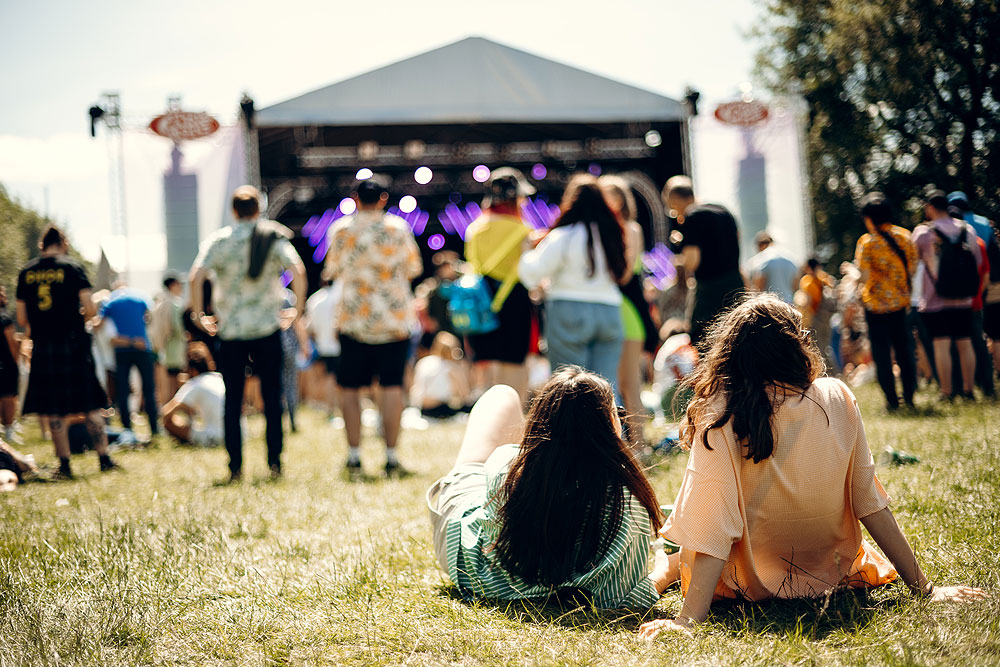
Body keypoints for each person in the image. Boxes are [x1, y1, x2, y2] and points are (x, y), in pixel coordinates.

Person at [637, 295, 987, 638]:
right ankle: (666, 568)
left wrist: (688, 619)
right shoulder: (838, 395)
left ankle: (663, 570)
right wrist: (923, 587)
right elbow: (870, 503)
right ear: (795, 347)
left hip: (749, 583)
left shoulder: (721, 413)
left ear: (731, 356)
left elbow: (713, 523)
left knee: (684, 541)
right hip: (831, 573)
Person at [426, 367, 671, 608]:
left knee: (501, 395)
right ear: (610, 425)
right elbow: (624, 599)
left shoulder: (505, 466)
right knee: (502, 397)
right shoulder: (623, 501)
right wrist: (668, 570)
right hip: (474, 559)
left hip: (464, 561)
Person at [189, 185, 306, 482]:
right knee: (272, 395)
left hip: (231, 329)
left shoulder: (220, 240)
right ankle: (274, 463)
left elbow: (196, 275)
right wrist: (298, 309)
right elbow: (299, 270)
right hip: (267, 326)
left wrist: (200, 313)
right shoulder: (272, 235)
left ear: (233, 211)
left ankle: (235, 466)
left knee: (233, 399)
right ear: (259, 208)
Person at [323, 176, 423, 476]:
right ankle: (391, 458)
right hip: (394, 321)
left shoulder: (341, 230)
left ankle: (354, 457)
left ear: (355, 198)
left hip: (354, 320)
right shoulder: (398, 228)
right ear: (383, 199)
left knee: (350, 389)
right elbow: (413, 268)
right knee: (392, 387)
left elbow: (332, 269)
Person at [15, 225, 119, 479]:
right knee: (91, 403)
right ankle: (104, 459)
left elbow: (20, 316)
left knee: (54, 408)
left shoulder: (27, 272)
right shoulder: (72, 268)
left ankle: (65, 465)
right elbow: (90, 309)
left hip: (43, 346)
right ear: (64, 243)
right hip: (72, 344)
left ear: (42, 245)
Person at [519, 174, 628, 391]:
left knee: (569, 388)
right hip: (610, 311)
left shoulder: (563, 235)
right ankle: (614, 425)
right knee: (607, 387)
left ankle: (572, 427)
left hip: (568, 310)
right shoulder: (612, 234)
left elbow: (531, 274)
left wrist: (526, 251)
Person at [463, 168, 536, 401]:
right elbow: (530, 270)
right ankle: (514, 419)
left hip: (482, 301)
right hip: (516, 300)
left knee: (490, 364)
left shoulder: (474, 229)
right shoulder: (524, 230)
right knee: (515, 363)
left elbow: (472, 265)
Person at [600, 175, 657, 450]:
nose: (609, 200)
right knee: (612, 384)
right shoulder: (599, 229)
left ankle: (640, 444)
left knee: (629, 382)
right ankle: (626, 443)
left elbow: (624, 274)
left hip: (627, 310)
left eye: (614, 194)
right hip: (609, 309)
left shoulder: (630, 229)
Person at [911, 190, 984, 400]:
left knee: (941, 345)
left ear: (931, 207)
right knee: (965, 342)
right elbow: (977, 261)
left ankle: (947, 391)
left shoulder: (924, 233)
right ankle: (969, 390)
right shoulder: (966, 229)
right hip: (963, 297)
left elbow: (913, 260)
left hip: (936, 299)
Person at [661, 176, 745, 348]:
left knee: (702, 340)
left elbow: (692, 262)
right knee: (738, 338)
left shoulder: (692, 216)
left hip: (709, 290)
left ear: (675, 200)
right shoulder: (723, 211)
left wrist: (682, 249)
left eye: (672, 209)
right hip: (735, 285)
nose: (674, 215)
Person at [853, 192, 919, 410]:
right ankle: (909, 395)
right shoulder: (905, 236)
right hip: (900, 304)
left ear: (869, 218)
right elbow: (913, 269)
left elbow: (862, 276)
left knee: (882, 355)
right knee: (905, 351)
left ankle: (891, 400)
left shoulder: (867, 242)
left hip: (875, 307)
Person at [95, 282, 159, 442]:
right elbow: (150, 316)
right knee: (149, 388)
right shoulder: (140, 297)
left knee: (122, 389)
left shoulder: (110, 301)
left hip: (122, 350)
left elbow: (99, 324)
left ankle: (126, 427)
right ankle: (155, 427)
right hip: (143, 346)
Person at [161, 342, 226, 447]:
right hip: (239, 435)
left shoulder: (195, 383)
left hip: (218, 437)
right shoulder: (219, 378)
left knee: (169, 423)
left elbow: (166, 413)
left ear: (192, 369)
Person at [304, 278, 342, 421]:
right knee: (337, 379)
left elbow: (310, 327)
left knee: (328, 377)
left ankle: (330, 409)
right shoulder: (339, 296)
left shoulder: (315, 299)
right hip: (339, 345)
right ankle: (334, 409)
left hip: (322, 345)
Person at [412, 331, 472, 419]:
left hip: (423, 409)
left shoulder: (423, 362)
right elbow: (465, 395)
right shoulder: (451, 368)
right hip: (440, 408)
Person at [150, 273, 187, 400]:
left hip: (161, 345)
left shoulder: (160, 302)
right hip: (174, 346)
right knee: (174, 380)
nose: (181, 287)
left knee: (164, 380)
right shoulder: (175, 303)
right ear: (172, 286)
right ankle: (172, 409)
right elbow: (178, 327)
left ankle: (166, 406)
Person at [798, 258, 837, 372]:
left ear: (808, 267)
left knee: (819, 348)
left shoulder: (808, 281)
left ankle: (829, 372)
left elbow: (807, 302)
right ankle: (835, 372)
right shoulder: (824, 278)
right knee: (827, 346)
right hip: (827, 316)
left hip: (815, 317)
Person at [746, 231, 798, 303]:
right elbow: (795, 286)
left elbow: (758, 286)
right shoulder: (790, 259)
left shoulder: (761, 260)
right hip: (789, 306)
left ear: (761, 246)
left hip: (770, 307)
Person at [0, 287, 21, 444]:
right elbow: (12, 343)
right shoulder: (4, 318)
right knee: (8, 397)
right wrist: (16, 361)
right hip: (5, 363)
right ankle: (8, 430)